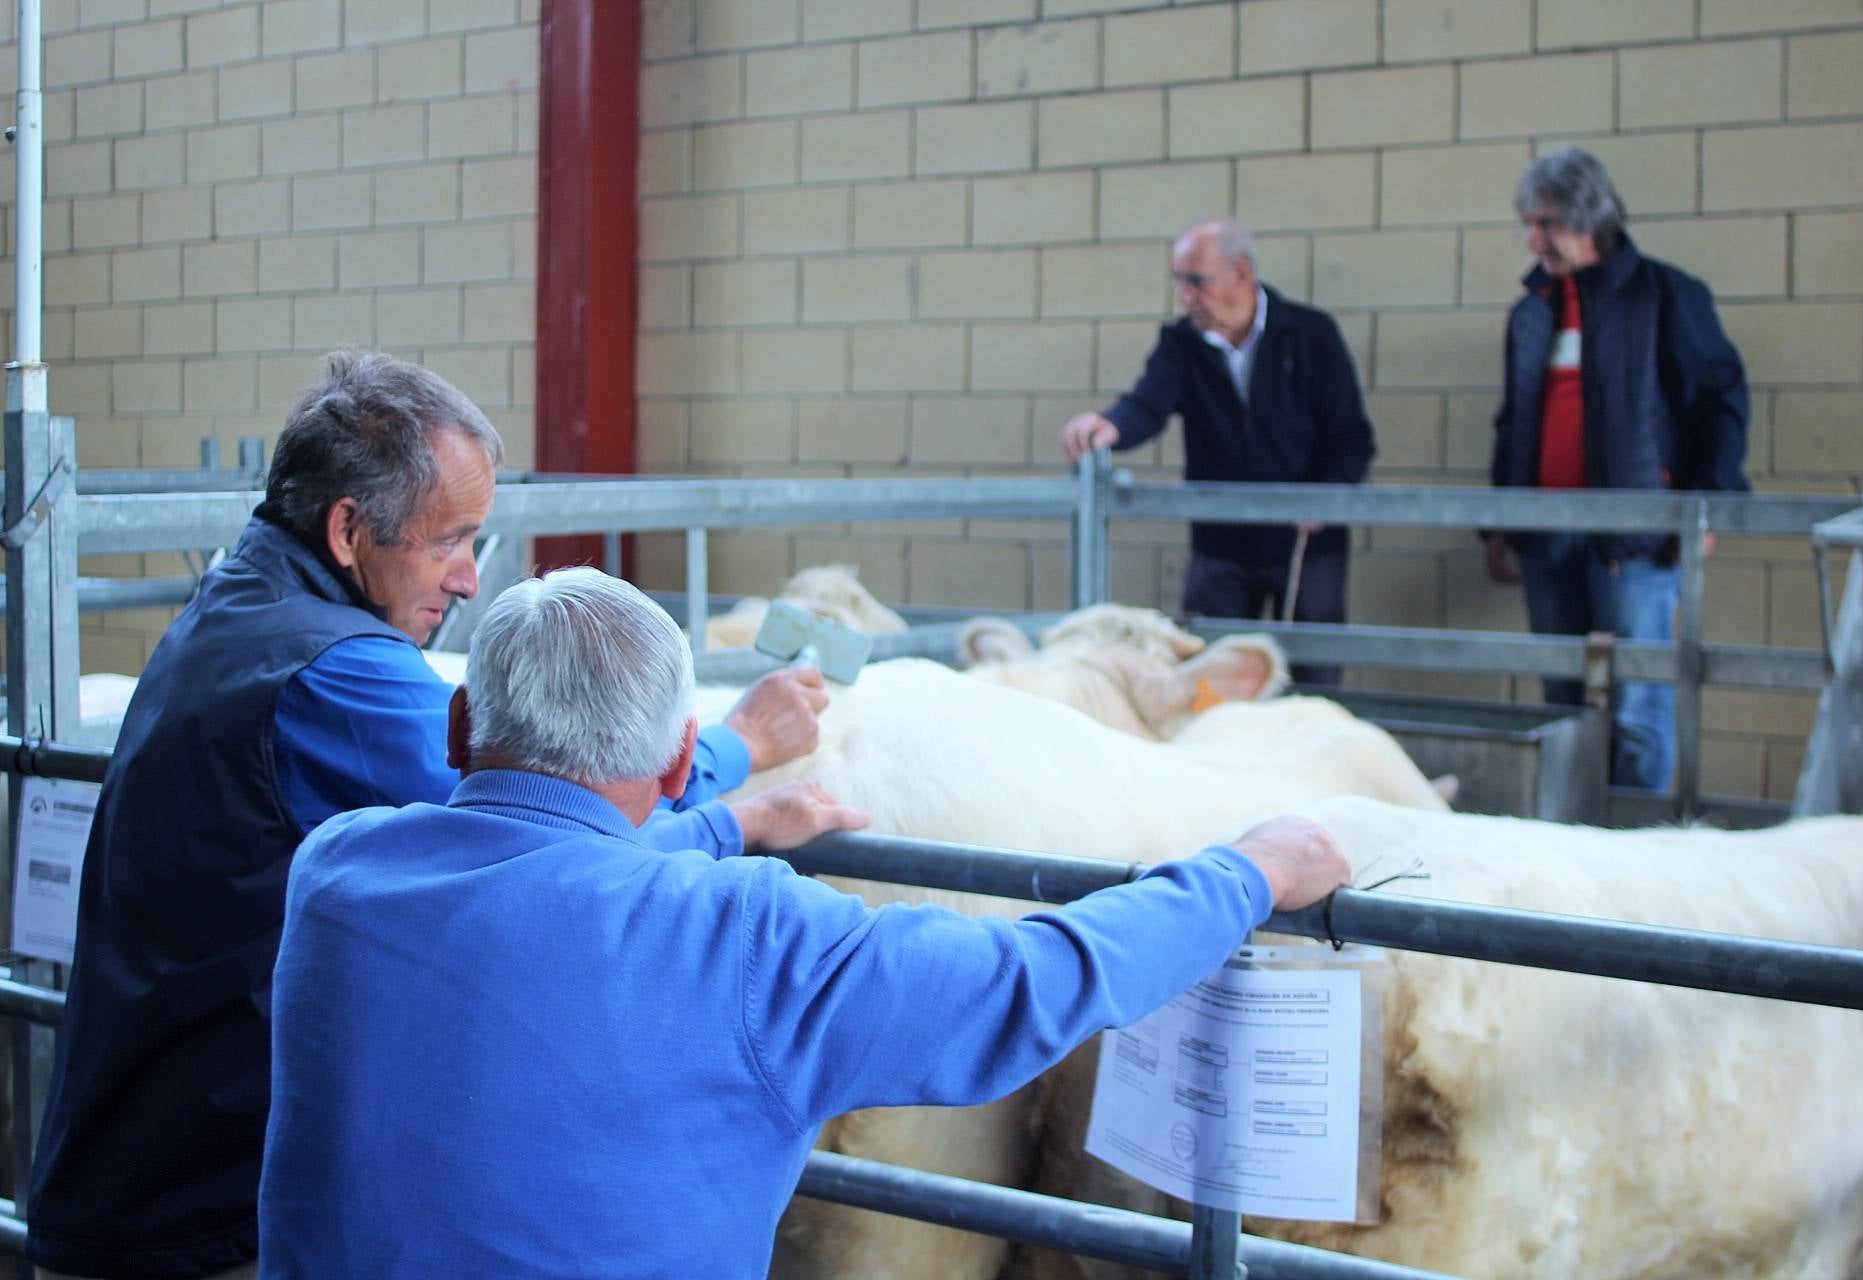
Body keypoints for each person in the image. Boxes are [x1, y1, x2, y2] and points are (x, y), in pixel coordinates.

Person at [257, 566, 1351, 1277]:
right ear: (681, 757)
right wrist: (1246, 870)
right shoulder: (747, 940)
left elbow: (534, 879)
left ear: (458, 723)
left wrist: (722, 827)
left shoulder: (338, 870)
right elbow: (1030, 978)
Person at [27, 352, 837, 1280]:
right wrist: (738, 752)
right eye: (450, 539)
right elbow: (558, 813)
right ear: (347, 528)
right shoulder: (338, 674)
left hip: (143, 1155)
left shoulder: (236, 605)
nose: (465, 579)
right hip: (201, 1213)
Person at [1484, 147, 1749, 791]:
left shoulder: (1665, 297)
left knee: (1639, 707)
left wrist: (1706, 505)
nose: (1533, 239)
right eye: (1528, 222)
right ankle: (1573, 851)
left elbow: (1722, 401)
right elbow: (1513, 422)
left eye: (1545, 223)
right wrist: (1497, 525)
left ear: (1587, 218)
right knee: (1562, 703)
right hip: (1547, 537)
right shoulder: (1533, 311)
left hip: (1639, 541)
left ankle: (1637, 853)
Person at [1059, 217, 1375, 687]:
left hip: (1307, 545)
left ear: (1241, 274)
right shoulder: (1181, 343)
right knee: (1212, 677)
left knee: (1313, 678)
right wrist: (1110, 426)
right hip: (1221, 547)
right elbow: (1147, 403)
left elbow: (1353, 437)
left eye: (1197, 282)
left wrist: (1325, 499)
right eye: (1179, 282)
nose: (1185, 297)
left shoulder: (1311, 335)